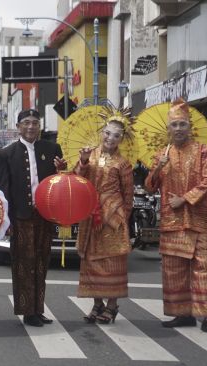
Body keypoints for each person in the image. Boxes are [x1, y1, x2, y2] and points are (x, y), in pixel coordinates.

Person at [145, 98, 207, 337]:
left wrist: (184, 198)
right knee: (173, 269)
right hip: (171, 221)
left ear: (189, 126)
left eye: (183, 124)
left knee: (203, 267)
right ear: (168, 129)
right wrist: (158, 168)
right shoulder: (162, 154)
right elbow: (150, 187)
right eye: (174, 125)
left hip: (197, 219)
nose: (179, 129)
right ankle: (182, 313)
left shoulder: (203, 151)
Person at [0, 109, 67, 327]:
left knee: (41, 262)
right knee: (23, 264)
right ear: (18, 126)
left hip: (44, 214)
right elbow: (4, 189)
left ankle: (38, 308)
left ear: (40, 126)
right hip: (21, 217)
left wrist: (62, 171)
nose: (30, 127)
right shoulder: (7, 153)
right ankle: (27, 310)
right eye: (26, 123)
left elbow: (59, 182)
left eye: (35, 123)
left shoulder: (51, 148)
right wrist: (6, 221)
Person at [74, 108, 134, 324]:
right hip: (90, 216)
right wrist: (82, 161)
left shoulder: (124, 163)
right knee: (91, 262)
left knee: (112, 263)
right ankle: (97, 304)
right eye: (107, 133)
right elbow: (77, 181)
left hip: (113, 219)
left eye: (116, 135)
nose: (110, 138)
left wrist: (122, 219)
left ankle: (112, 306)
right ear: (102, 132)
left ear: (121, 139)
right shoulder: (89, 154)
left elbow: (128, 195)